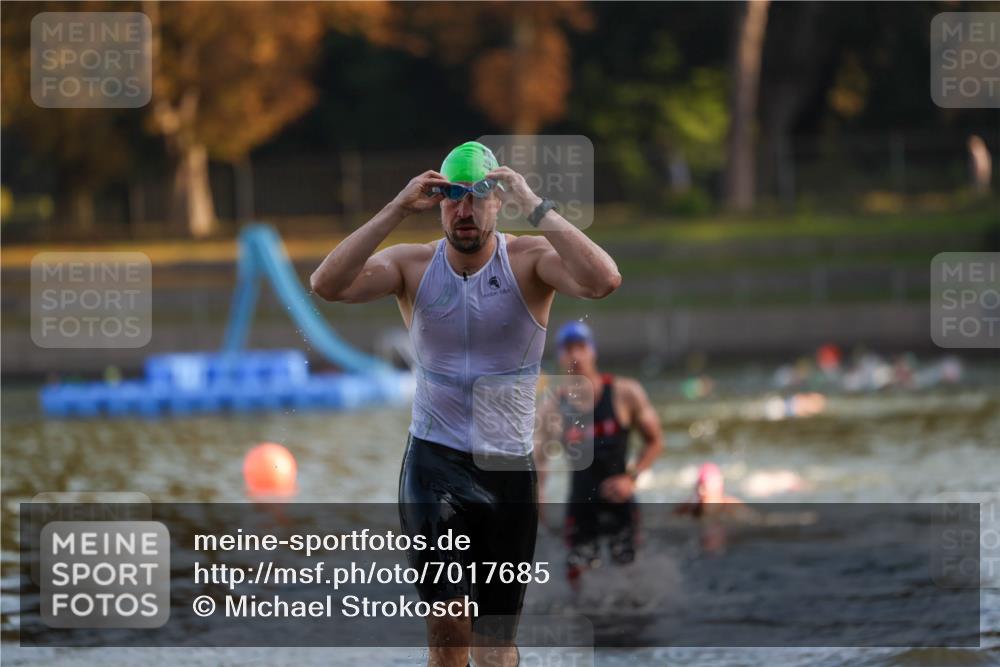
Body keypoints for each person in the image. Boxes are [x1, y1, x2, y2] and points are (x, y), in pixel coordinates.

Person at [310, 141, 621, 667]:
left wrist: (537, 203)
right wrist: (394, 209)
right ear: (438, 204)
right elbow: (326, 284)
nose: (465, 210)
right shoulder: (412, 266)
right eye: (453, 198)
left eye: (478, 196)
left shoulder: (531, 262)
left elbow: (604, 280)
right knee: (450, 626)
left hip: (509, 471)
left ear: (498, 201)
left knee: (494, 649)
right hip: (435, 465)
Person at [534, 321, 663, 585]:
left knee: (632, 582)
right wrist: (538, 498)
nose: (575, 356)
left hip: (620, 501)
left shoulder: (624, 393)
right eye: (568, 349)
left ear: (593, 352)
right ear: (559, 357)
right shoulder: (552, 408)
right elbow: (538, 459)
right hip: (581, 504)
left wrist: (631, 478)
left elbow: (655, 441)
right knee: (579, 586)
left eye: (581, 347)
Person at [674, 462, 745, 517]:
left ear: (718, 490)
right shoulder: (692, 506)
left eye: (704, 488)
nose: (701, 492)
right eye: (698, 487)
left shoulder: (731, 507)